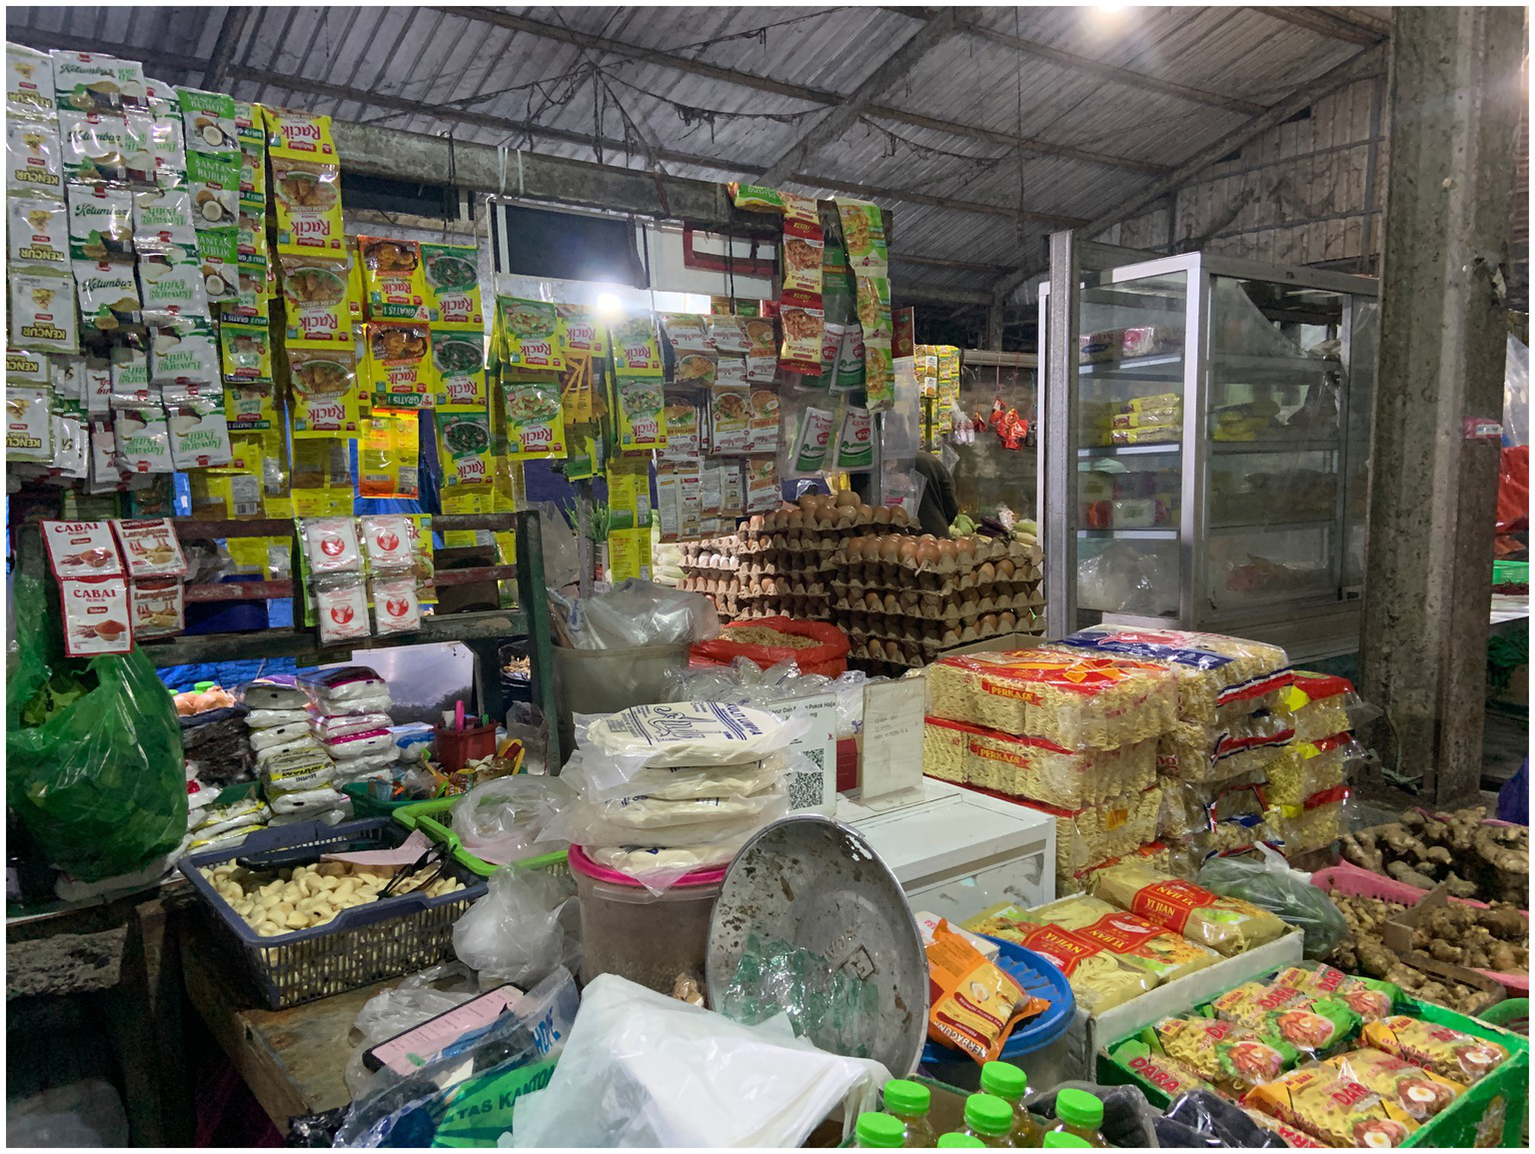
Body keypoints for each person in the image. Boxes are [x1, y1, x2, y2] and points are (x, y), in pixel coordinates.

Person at [849, 452, 959, 537]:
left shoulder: (863, 466)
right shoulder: (928, 462)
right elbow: (951, 506)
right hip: (933, 542)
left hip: (883, 546)